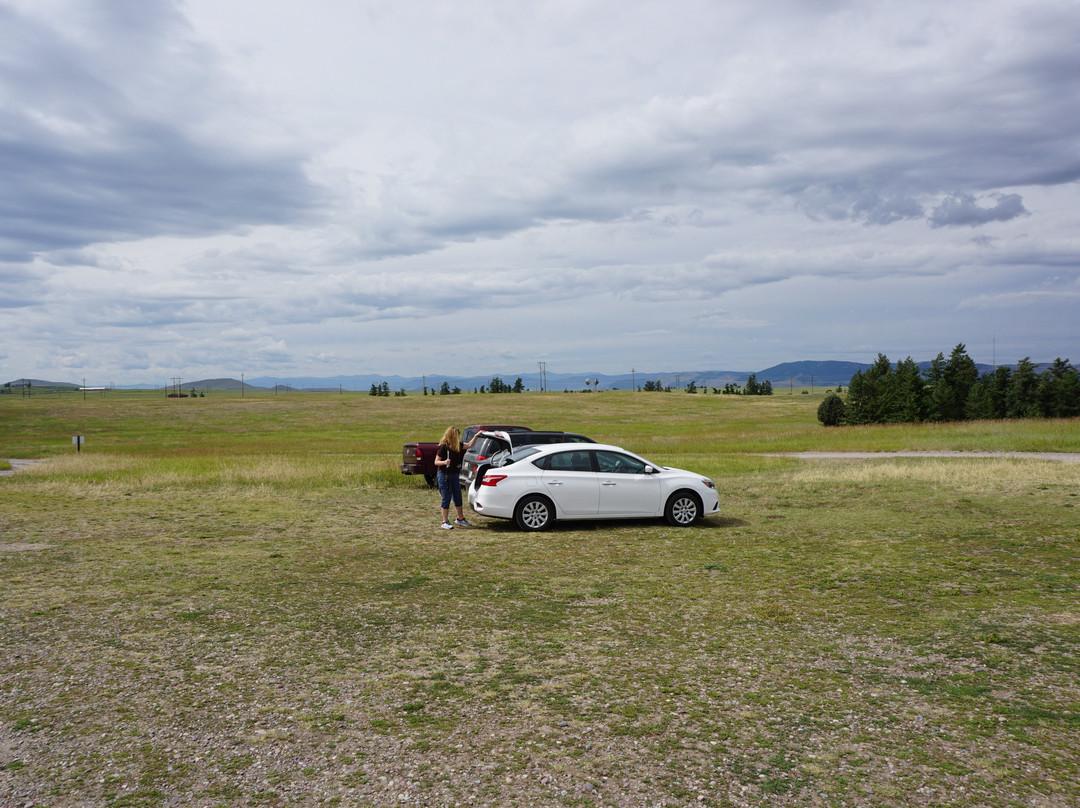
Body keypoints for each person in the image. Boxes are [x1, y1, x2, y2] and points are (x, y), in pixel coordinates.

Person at [434, 426, 481, 529]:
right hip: (444, 475)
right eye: (457, 435)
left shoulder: (457, 446)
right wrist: (444, 462)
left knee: (457, 496)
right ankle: (444, 521)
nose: (459, 437)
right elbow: (436, 461)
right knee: (446, 497)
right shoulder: (443, 447)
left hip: (455, 475)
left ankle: (460, 518)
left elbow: (469, 445)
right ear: (452, 436)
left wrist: (476, 436)